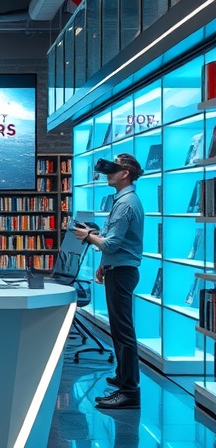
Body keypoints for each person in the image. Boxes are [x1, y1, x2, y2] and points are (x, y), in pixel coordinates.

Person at [74, 153, 144, 410]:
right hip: (118, 268)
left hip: (123, 272)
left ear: (125, 173)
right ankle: (124, 377)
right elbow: (115, 241)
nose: (107, 174)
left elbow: (112, 242)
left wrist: (87, 235)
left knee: (123, 331)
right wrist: (104, 263)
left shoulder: (126, 204)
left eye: (112, 170)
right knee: (119, 328)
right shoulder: (124, 200)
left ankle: (129, 392)